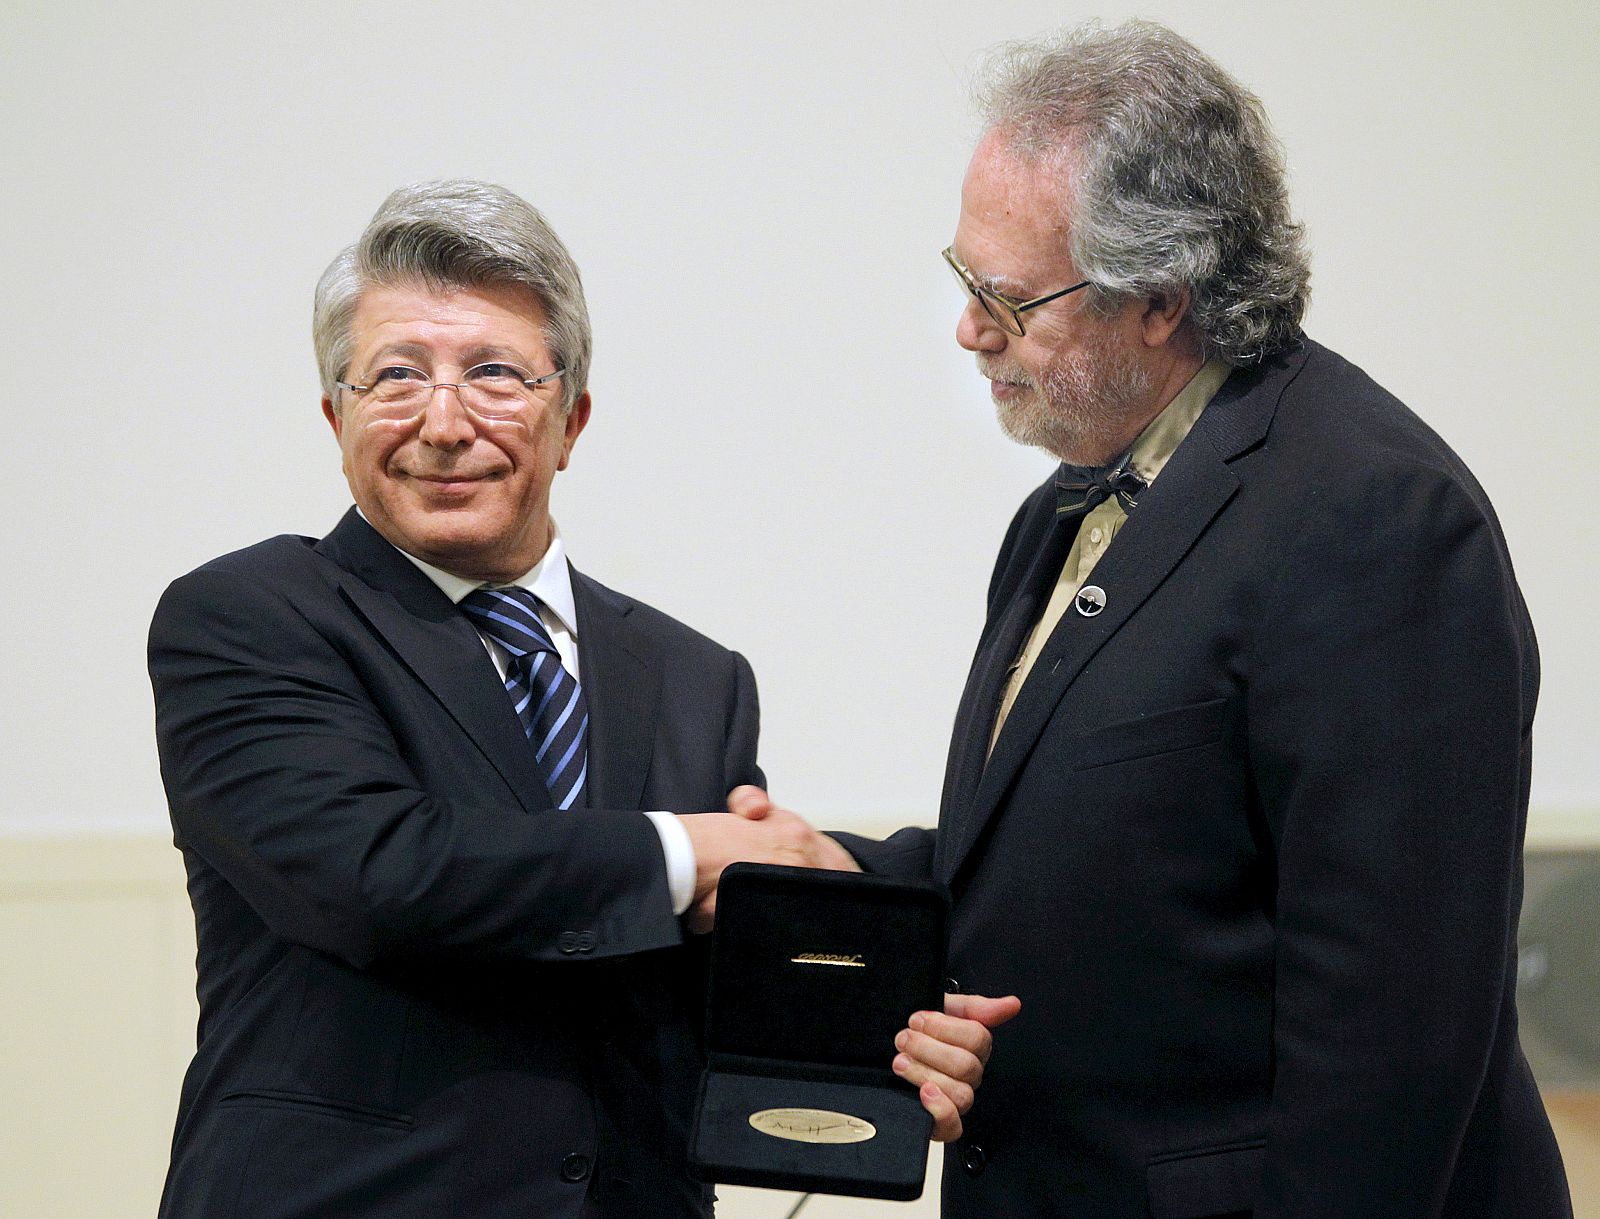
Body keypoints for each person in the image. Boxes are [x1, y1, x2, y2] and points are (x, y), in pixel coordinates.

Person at [744, 20, 1572, 1218]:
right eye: (963, 279)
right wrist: (842, 875)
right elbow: (1109, 860)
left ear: (1160, 299)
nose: (969, 329)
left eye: (1007, 298)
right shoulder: (1073, 501)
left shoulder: (1373, 518)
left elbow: (1392, 1043)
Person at [148, 180, 1002, 1219]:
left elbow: (705, 962)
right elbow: (378, 873)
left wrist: (898, 1036)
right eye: (396, 377)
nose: (445, 422)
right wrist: (688, 853)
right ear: (336, 414)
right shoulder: (248, 617)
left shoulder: (694, 676)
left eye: (495, 374)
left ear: (572, 418)